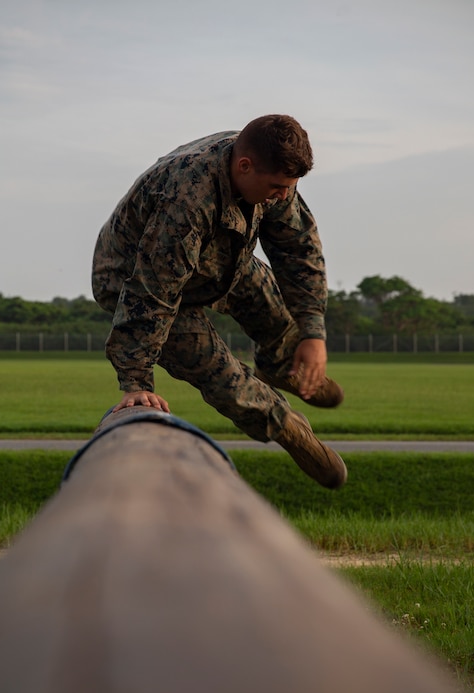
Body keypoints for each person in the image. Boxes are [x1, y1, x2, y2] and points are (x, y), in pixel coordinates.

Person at [91, 114, 347, 489]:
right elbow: (152, 290)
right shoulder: (187, 197)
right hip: (135, 281)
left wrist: (312, 332)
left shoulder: (270, 172)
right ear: (244, 166)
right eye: (277, 187)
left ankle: (283, 366)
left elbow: (299, 250)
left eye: (289, 188)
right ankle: (286, 426)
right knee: (216, 368)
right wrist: (135, 381)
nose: (282, 195)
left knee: (273, 307)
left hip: (218, 259)